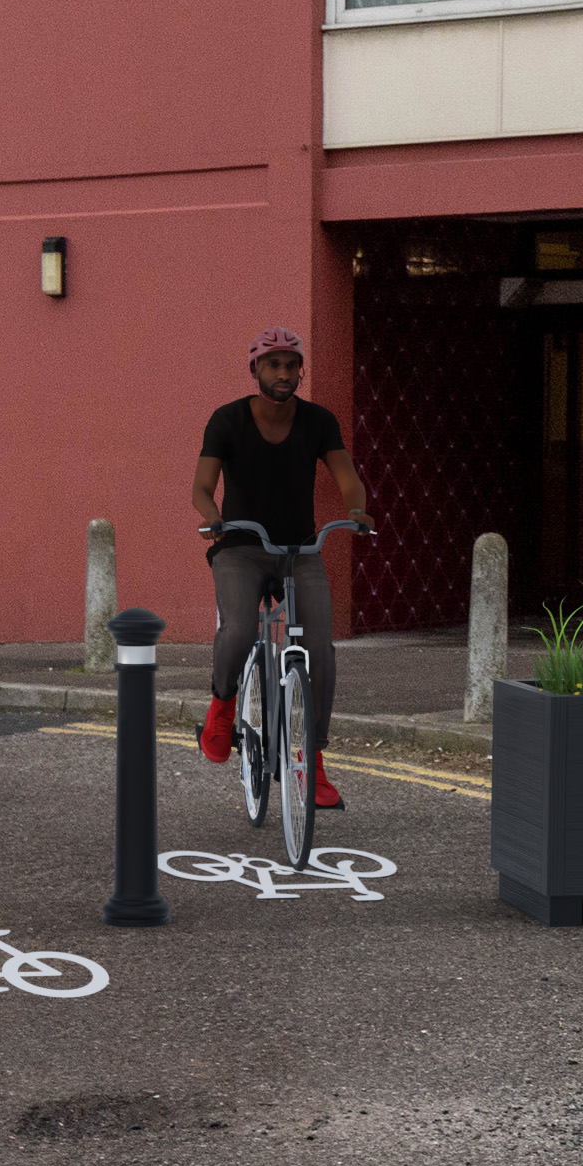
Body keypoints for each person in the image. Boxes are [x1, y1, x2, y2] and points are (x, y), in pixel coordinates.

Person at [190, 327, 368, 810]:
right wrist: (212, 519)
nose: (284, 374)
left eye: (292, 365)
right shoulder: (227, 420)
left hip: (300, 550)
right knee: (241, 626)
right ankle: (223, 706)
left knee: (319, 647)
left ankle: (314, 759)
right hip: (241, 547)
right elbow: (202, 487)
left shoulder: (318, 421)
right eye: (273, 365)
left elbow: (347, 478)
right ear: (255, 372)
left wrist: (356, 511)